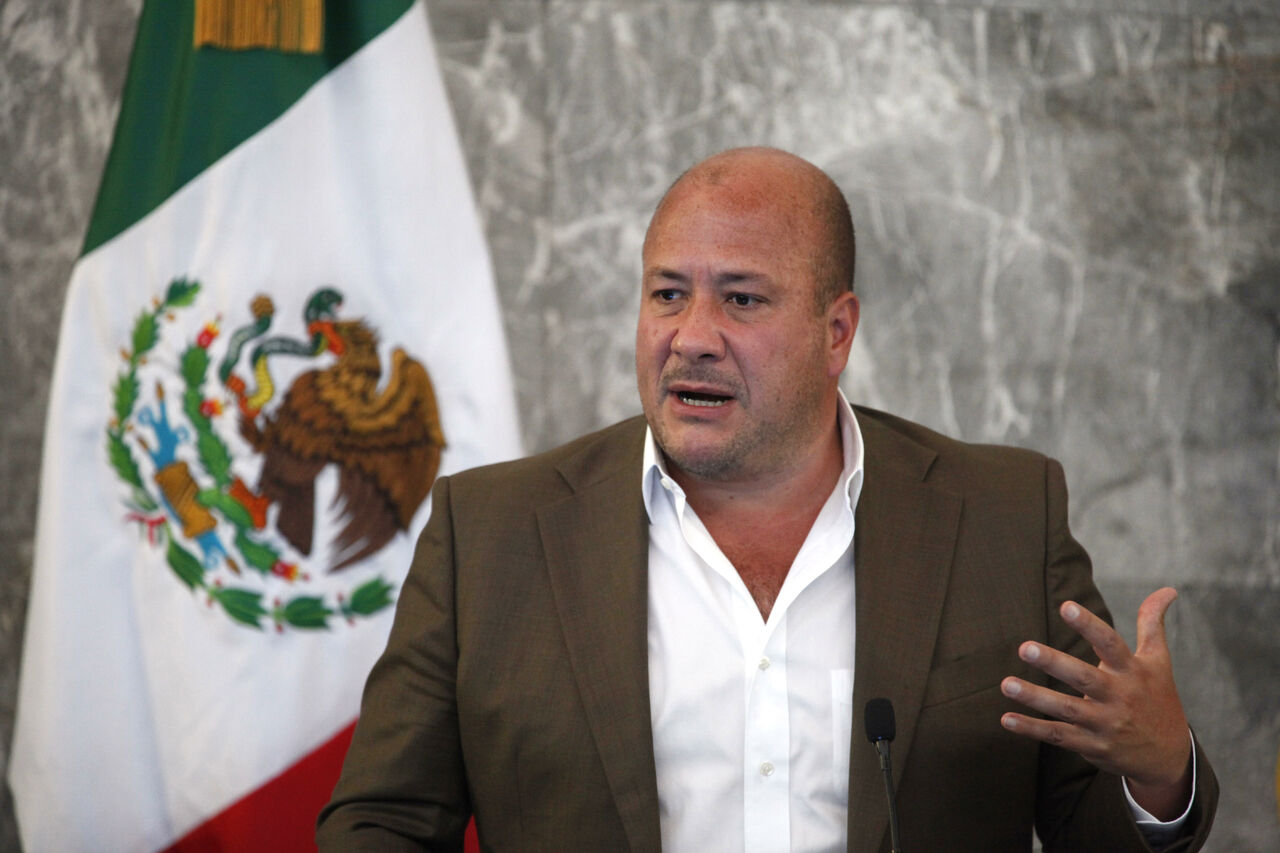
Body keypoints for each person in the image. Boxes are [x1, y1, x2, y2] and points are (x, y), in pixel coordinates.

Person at [316, 147, 1217, 852]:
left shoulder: (1003, 518)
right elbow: (381, 822)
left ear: (836, 332)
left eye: (741, 299)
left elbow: (1092, 826)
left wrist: (1159, 772)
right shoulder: (492, 535)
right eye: (668, 293)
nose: (691, 337)